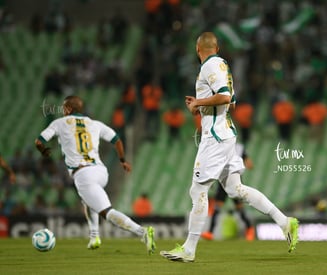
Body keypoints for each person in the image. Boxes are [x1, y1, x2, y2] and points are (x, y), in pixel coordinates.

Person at [160, 32, 299, 263]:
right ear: (216, 46)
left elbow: (224, 97)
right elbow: (231, 100)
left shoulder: (209, 66)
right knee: (235, 189)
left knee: (198, 191)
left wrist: (198, 102)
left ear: (198, 48)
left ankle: (189, 249)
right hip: (225, 132)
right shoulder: (223, 65)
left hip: (215, 136)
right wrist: (199, 106)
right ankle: (285, 222)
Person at [34, 95, 156, 253]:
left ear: (68, 109)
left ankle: (143, 232)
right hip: (100, 171)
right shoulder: (95, 124)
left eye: (64, 107)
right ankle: (94, 236)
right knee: (88, 200)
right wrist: (122, 160)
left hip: (83, 173)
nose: (63, 110)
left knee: (107, 212)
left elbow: (39, 141)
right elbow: (117, 140)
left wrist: (43, 151)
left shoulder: (59, 123)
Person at [201, 143, 255, 241]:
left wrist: (247, 164)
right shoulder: (220, 147)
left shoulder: (239, 147)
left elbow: (248, 162)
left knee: (239, 207)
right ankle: (210, 232)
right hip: (223, 180)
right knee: (217, 207)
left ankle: (249, 229)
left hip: (235, 180)